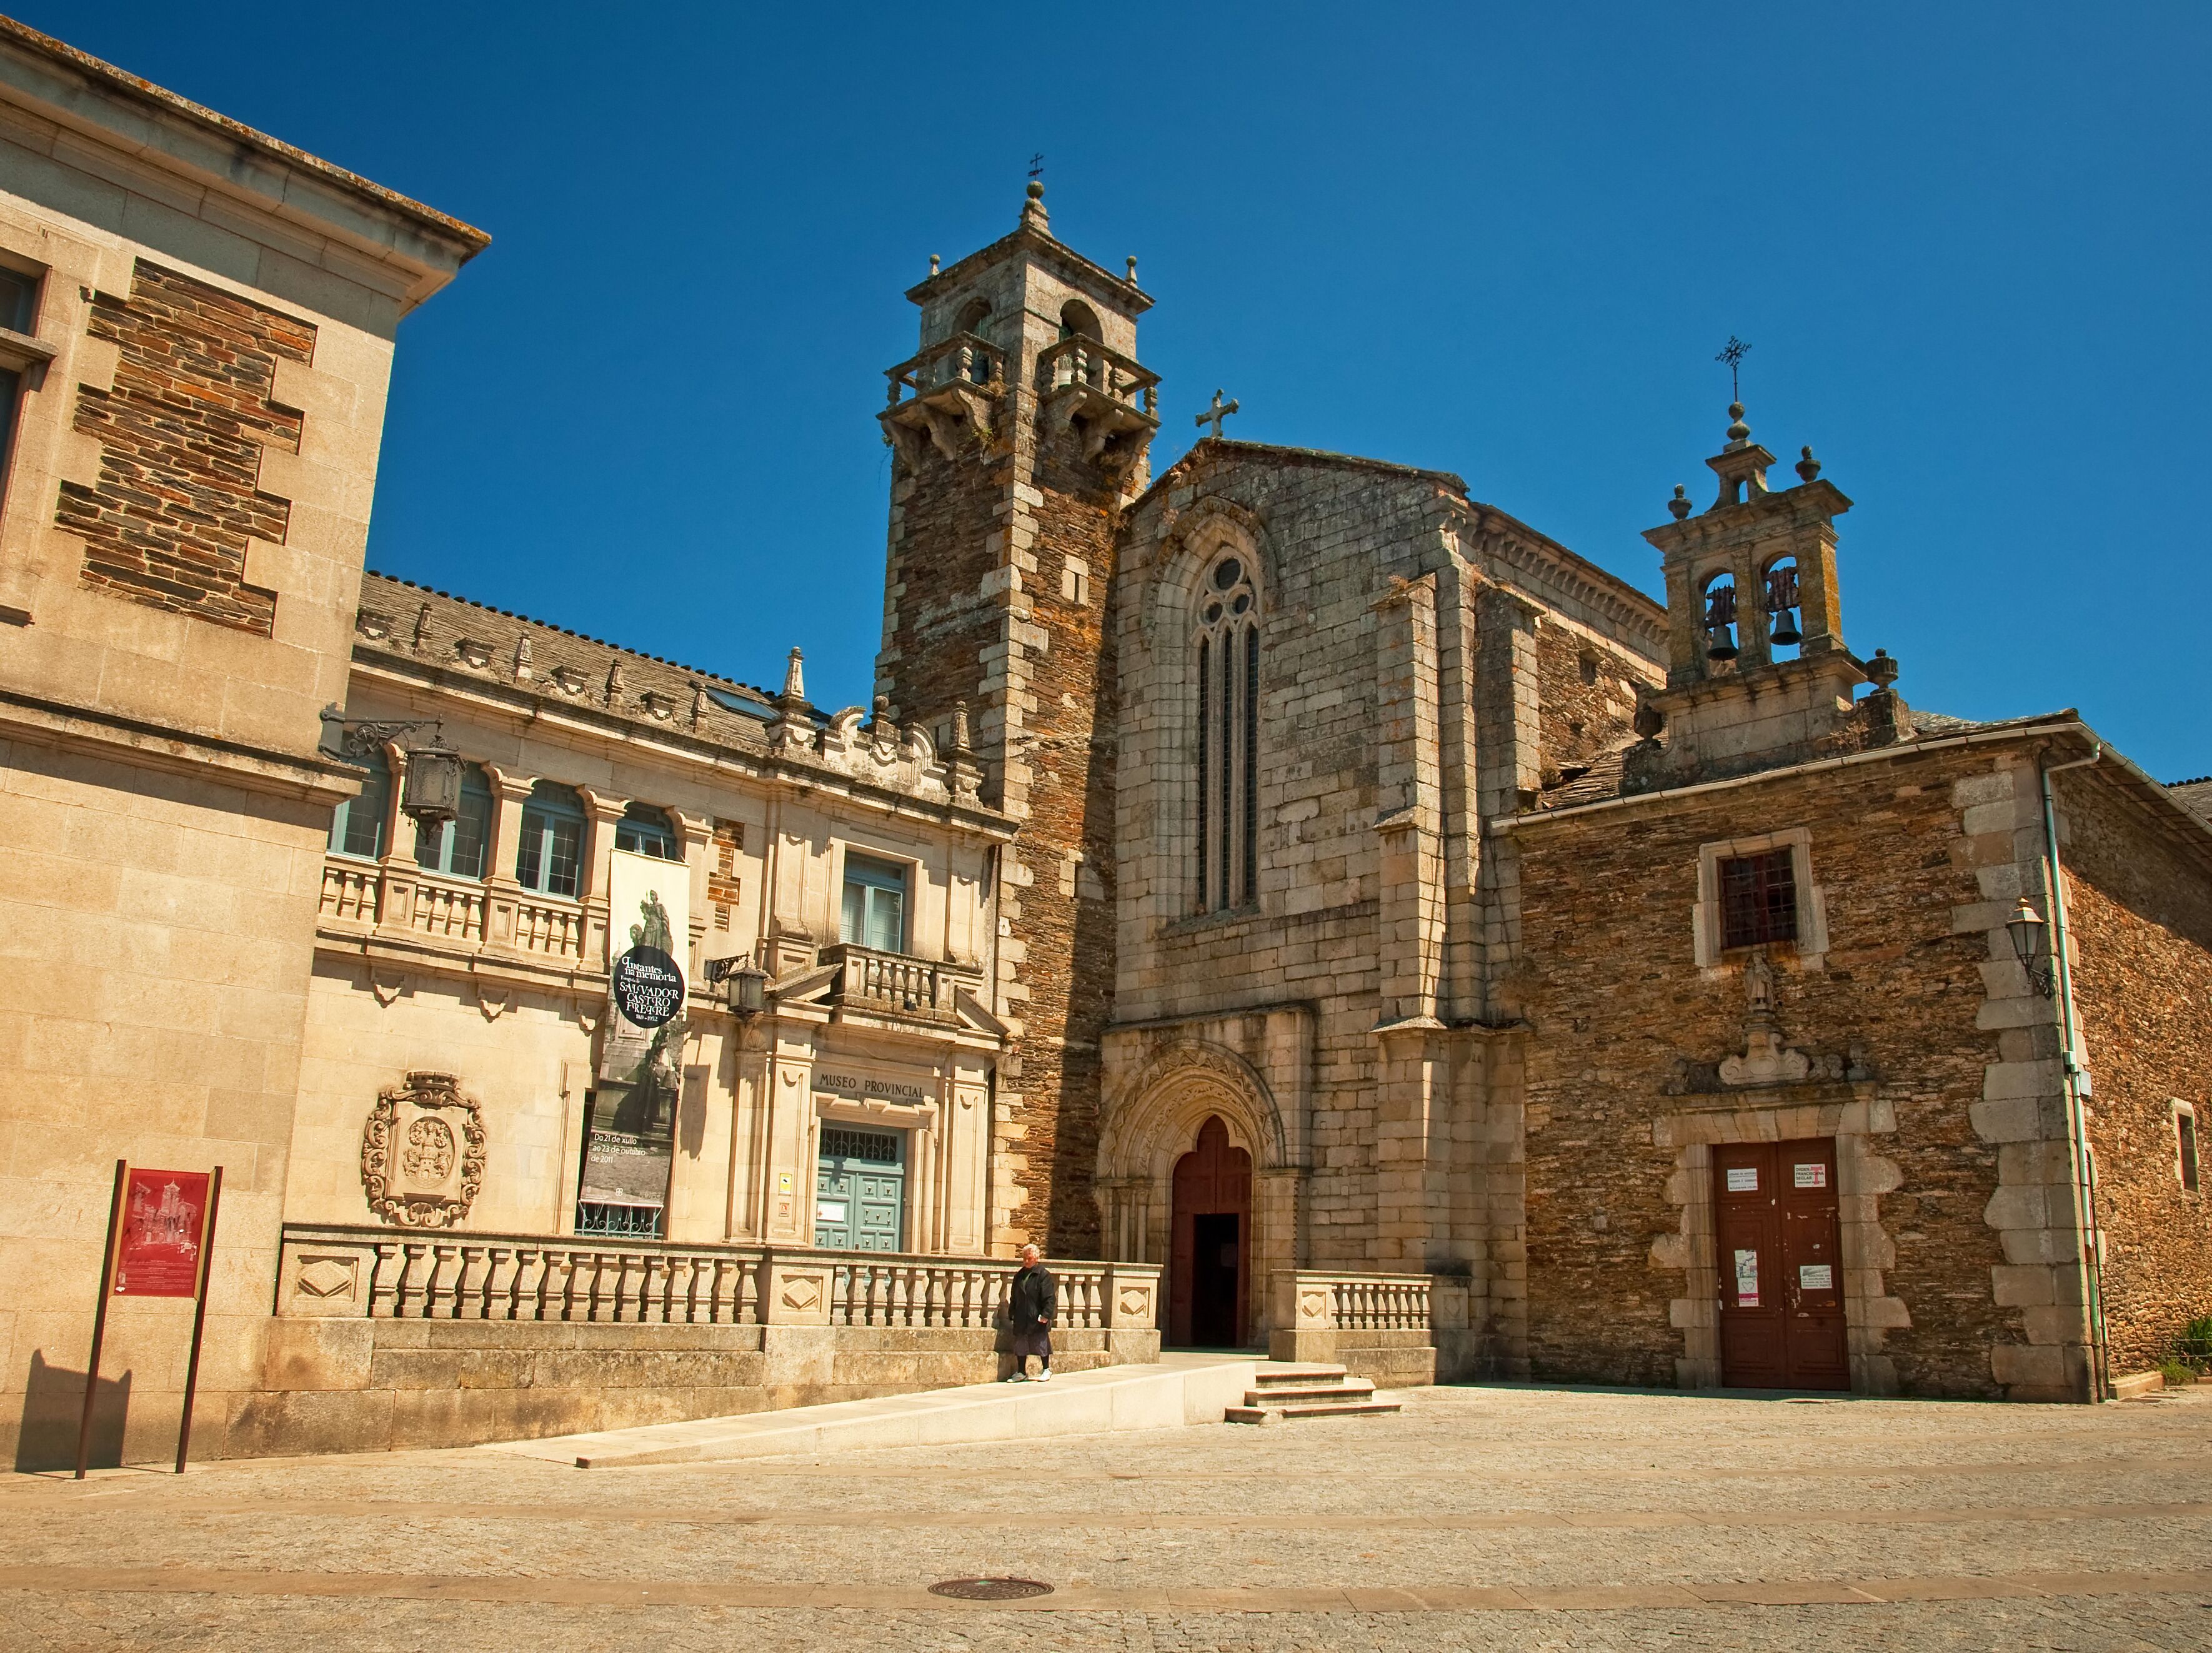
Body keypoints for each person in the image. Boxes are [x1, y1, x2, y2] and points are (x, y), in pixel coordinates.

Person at [1003, 1243, 1056, 1382]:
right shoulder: (1019, 1275)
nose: (1026, 1261)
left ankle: (1046, 1369)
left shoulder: (1043, 1275)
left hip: (1036, 1315)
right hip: (1021, 1315)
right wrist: (1012, 1312)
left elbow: (1049, 1297)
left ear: (1036, 1259)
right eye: (1025, 1258)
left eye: (1030, 1258)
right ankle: (1021, 1372)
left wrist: (1046, 1314)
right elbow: (1014, 1296)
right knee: (1021, 1344)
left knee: (1041, 1342)